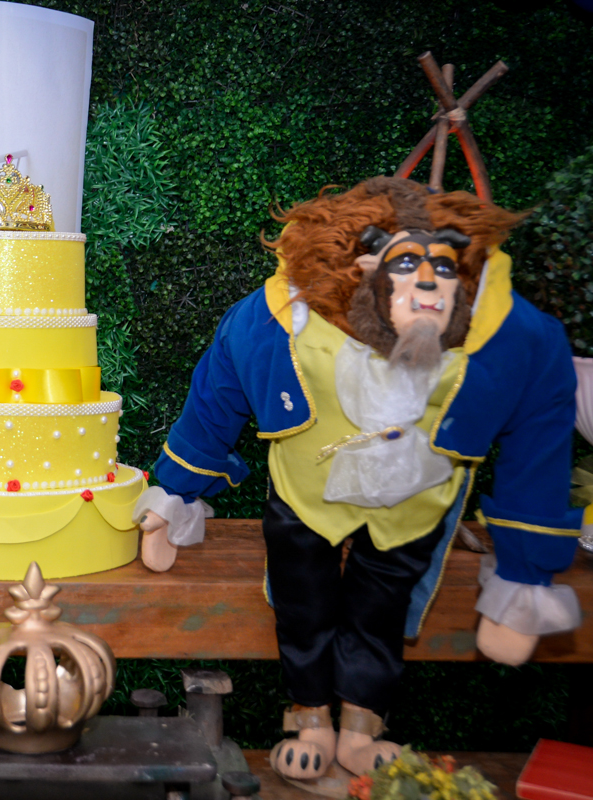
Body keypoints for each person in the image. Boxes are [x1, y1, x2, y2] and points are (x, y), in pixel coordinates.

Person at [135, 178, 581, 781]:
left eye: (442, 268)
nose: (427, 286)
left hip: (415, 501)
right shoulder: (276, 320)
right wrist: (175, 491)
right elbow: (217, 393)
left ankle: (362, 725)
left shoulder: (513, 339)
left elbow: (539, 444)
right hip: (306, 492)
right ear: (366, 265)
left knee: (382, 609)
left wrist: (524, 576)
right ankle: (309, 716)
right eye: (406, 265)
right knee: (303, 605)